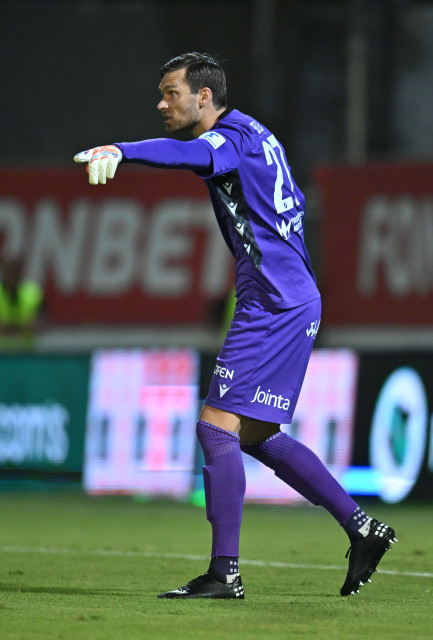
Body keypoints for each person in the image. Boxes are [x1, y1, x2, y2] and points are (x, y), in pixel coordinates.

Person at [74, 52, 397, 599]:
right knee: (257, 435)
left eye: (171, 93)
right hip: (292, 297)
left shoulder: (228, 140)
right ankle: (362, 527)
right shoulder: (257, 134)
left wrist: (121, 150)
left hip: (273, 302)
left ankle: (225, 572)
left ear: (204, 97)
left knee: (214, 427)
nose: (162, 104)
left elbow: (195, 154)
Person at [0, 255, 45, 351]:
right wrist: (23, 327)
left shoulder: (33, 293)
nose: (12, 274)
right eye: (10, 270)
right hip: (2, 352)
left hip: (26, 352)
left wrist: (8, 327)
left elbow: (40, 323)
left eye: (15, 270)